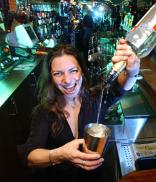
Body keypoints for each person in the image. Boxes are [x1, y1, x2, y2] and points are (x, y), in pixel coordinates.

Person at [21, 39, 140, 181]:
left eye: (73, 70)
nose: (67, 80)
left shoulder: (96, 98)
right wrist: (59, 155)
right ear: (51, 78)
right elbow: (31, 156)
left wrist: (132, 70)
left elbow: (121, 87)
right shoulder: (44, 111)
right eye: (58, 73)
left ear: (82, 72)